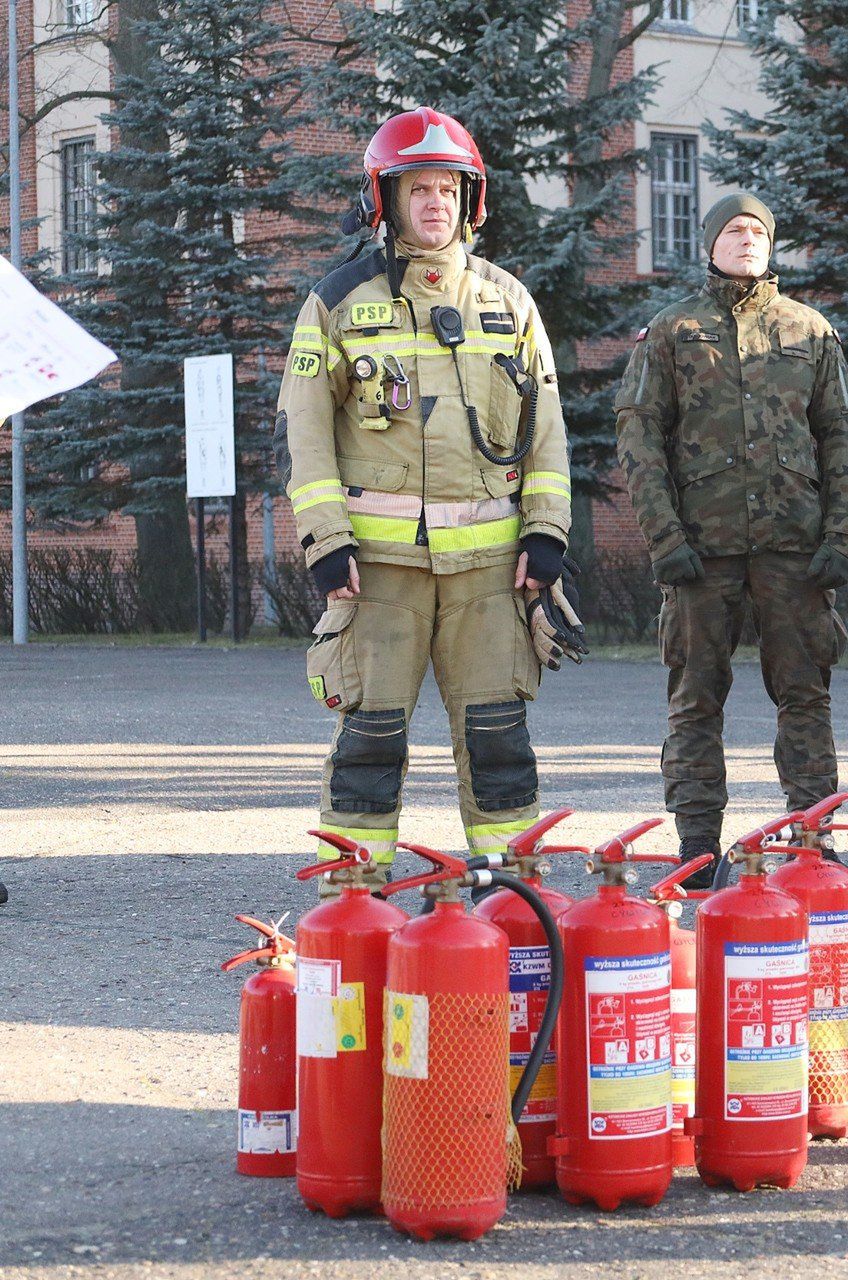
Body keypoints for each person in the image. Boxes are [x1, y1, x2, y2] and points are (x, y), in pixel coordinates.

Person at [281, 106, 577, 878]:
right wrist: (326, 543)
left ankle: (513, 903)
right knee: (369, 741)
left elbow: (547, 429)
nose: (435, 202)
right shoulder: (337, 301)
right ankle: (356, 903)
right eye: (419, 188)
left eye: (448, 187)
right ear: (387, 199)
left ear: (470, 199)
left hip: (490, 573)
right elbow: (306, 434)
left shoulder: (510, 301)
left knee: (500, 740)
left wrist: (547, 534)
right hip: (378, 573)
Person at [614, 193, 848, 888]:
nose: (747, 238)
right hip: (701, 552)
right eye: (734, 229)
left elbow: (844, 438)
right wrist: (665, 539)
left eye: (758, 230)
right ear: (709, 243)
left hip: (794, 551)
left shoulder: (810, 331)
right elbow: (639, 440)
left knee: (806, 696)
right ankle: (698, 849)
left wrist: (840, 538)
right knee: (696, 699)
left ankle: (813, 839)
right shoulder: (673, 331)